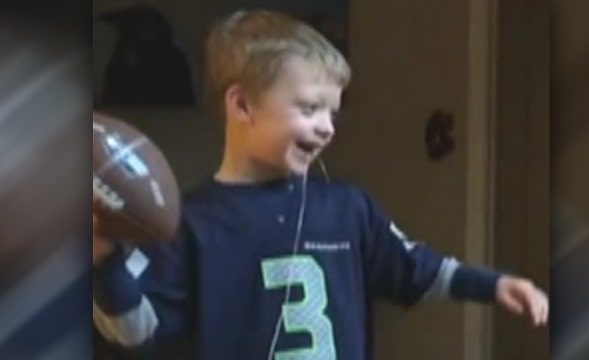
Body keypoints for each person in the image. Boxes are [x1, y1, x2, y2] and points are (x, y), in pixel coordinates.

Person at [93, 10, 548, 359]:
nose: (329, 127)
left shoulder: (349, 208)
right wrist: (105, 265)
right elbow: (137, 335)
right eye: (310, 108)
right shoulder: (185, 222)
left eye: (333, 111)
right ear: (242, 105)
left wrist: (493, 285)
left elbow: (418, 270)